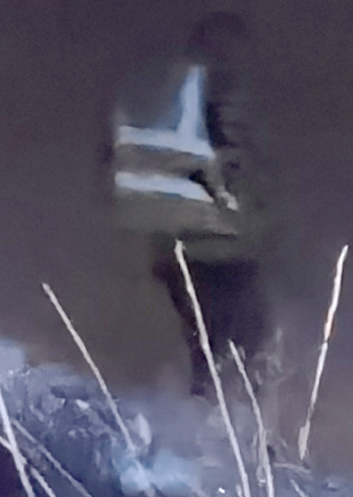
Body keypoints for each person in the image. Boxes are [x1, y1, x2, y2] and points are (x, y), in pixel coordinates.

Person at [109, 15, 268, 392]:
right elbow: (234, 160)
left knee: (199, 335)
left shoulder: (160, 85)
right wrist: (256, 219)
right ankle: (222, 422)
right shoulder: (221, 86)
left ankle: (197, 409)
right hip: (217, 240)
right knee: (244, 335)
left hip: (165, 236)